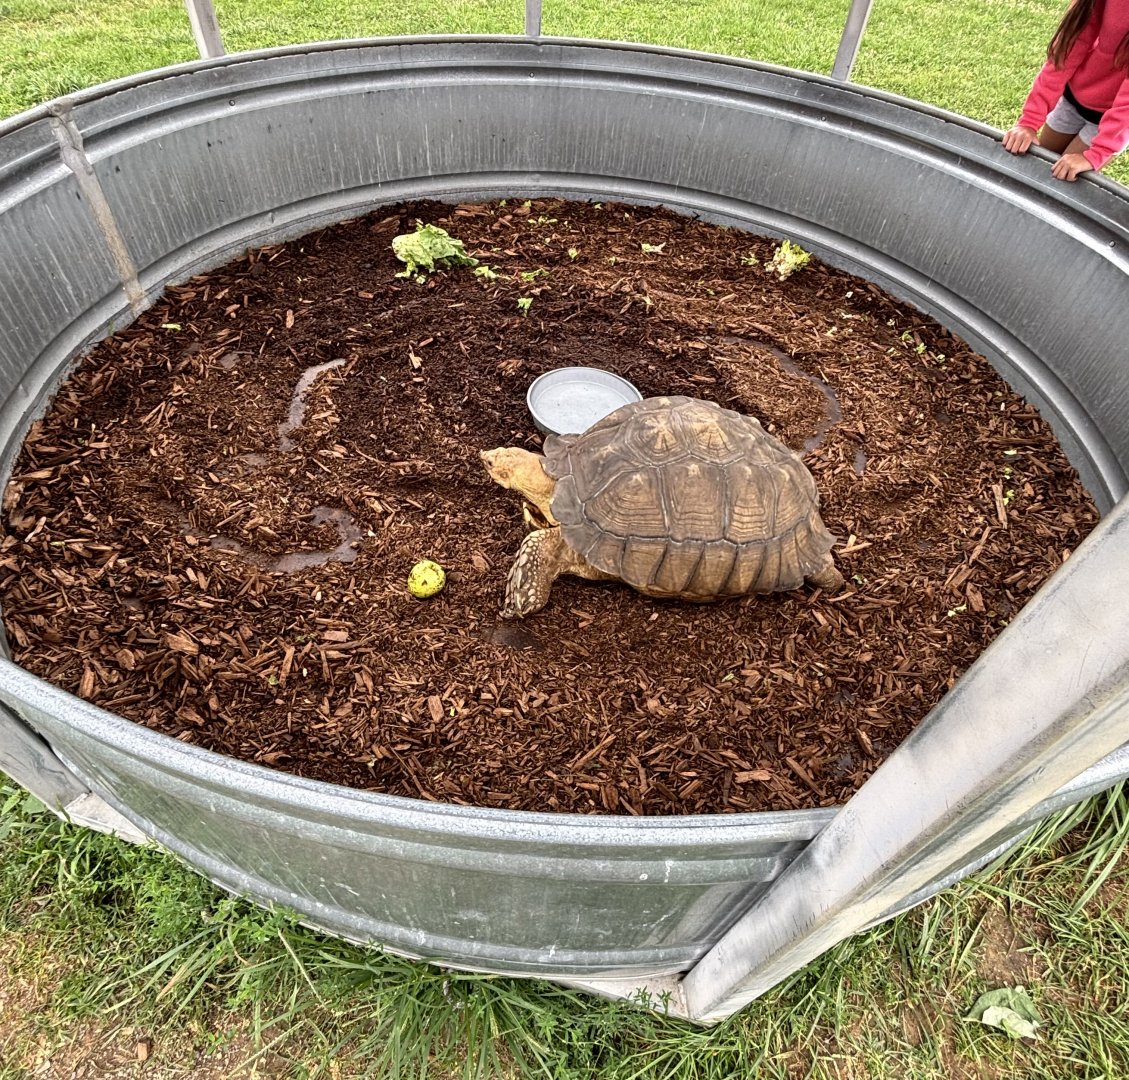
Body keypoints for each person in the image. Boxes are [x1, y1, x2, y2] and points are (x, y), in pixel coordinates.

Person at [1002, 0, 1129, 181]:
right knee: (1032, 171)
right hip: (1074, 98)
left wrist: (1098, 153)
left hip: (1110, 121)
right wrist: (1029, 122)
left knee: (1060, 181)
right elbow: (1070, 44)